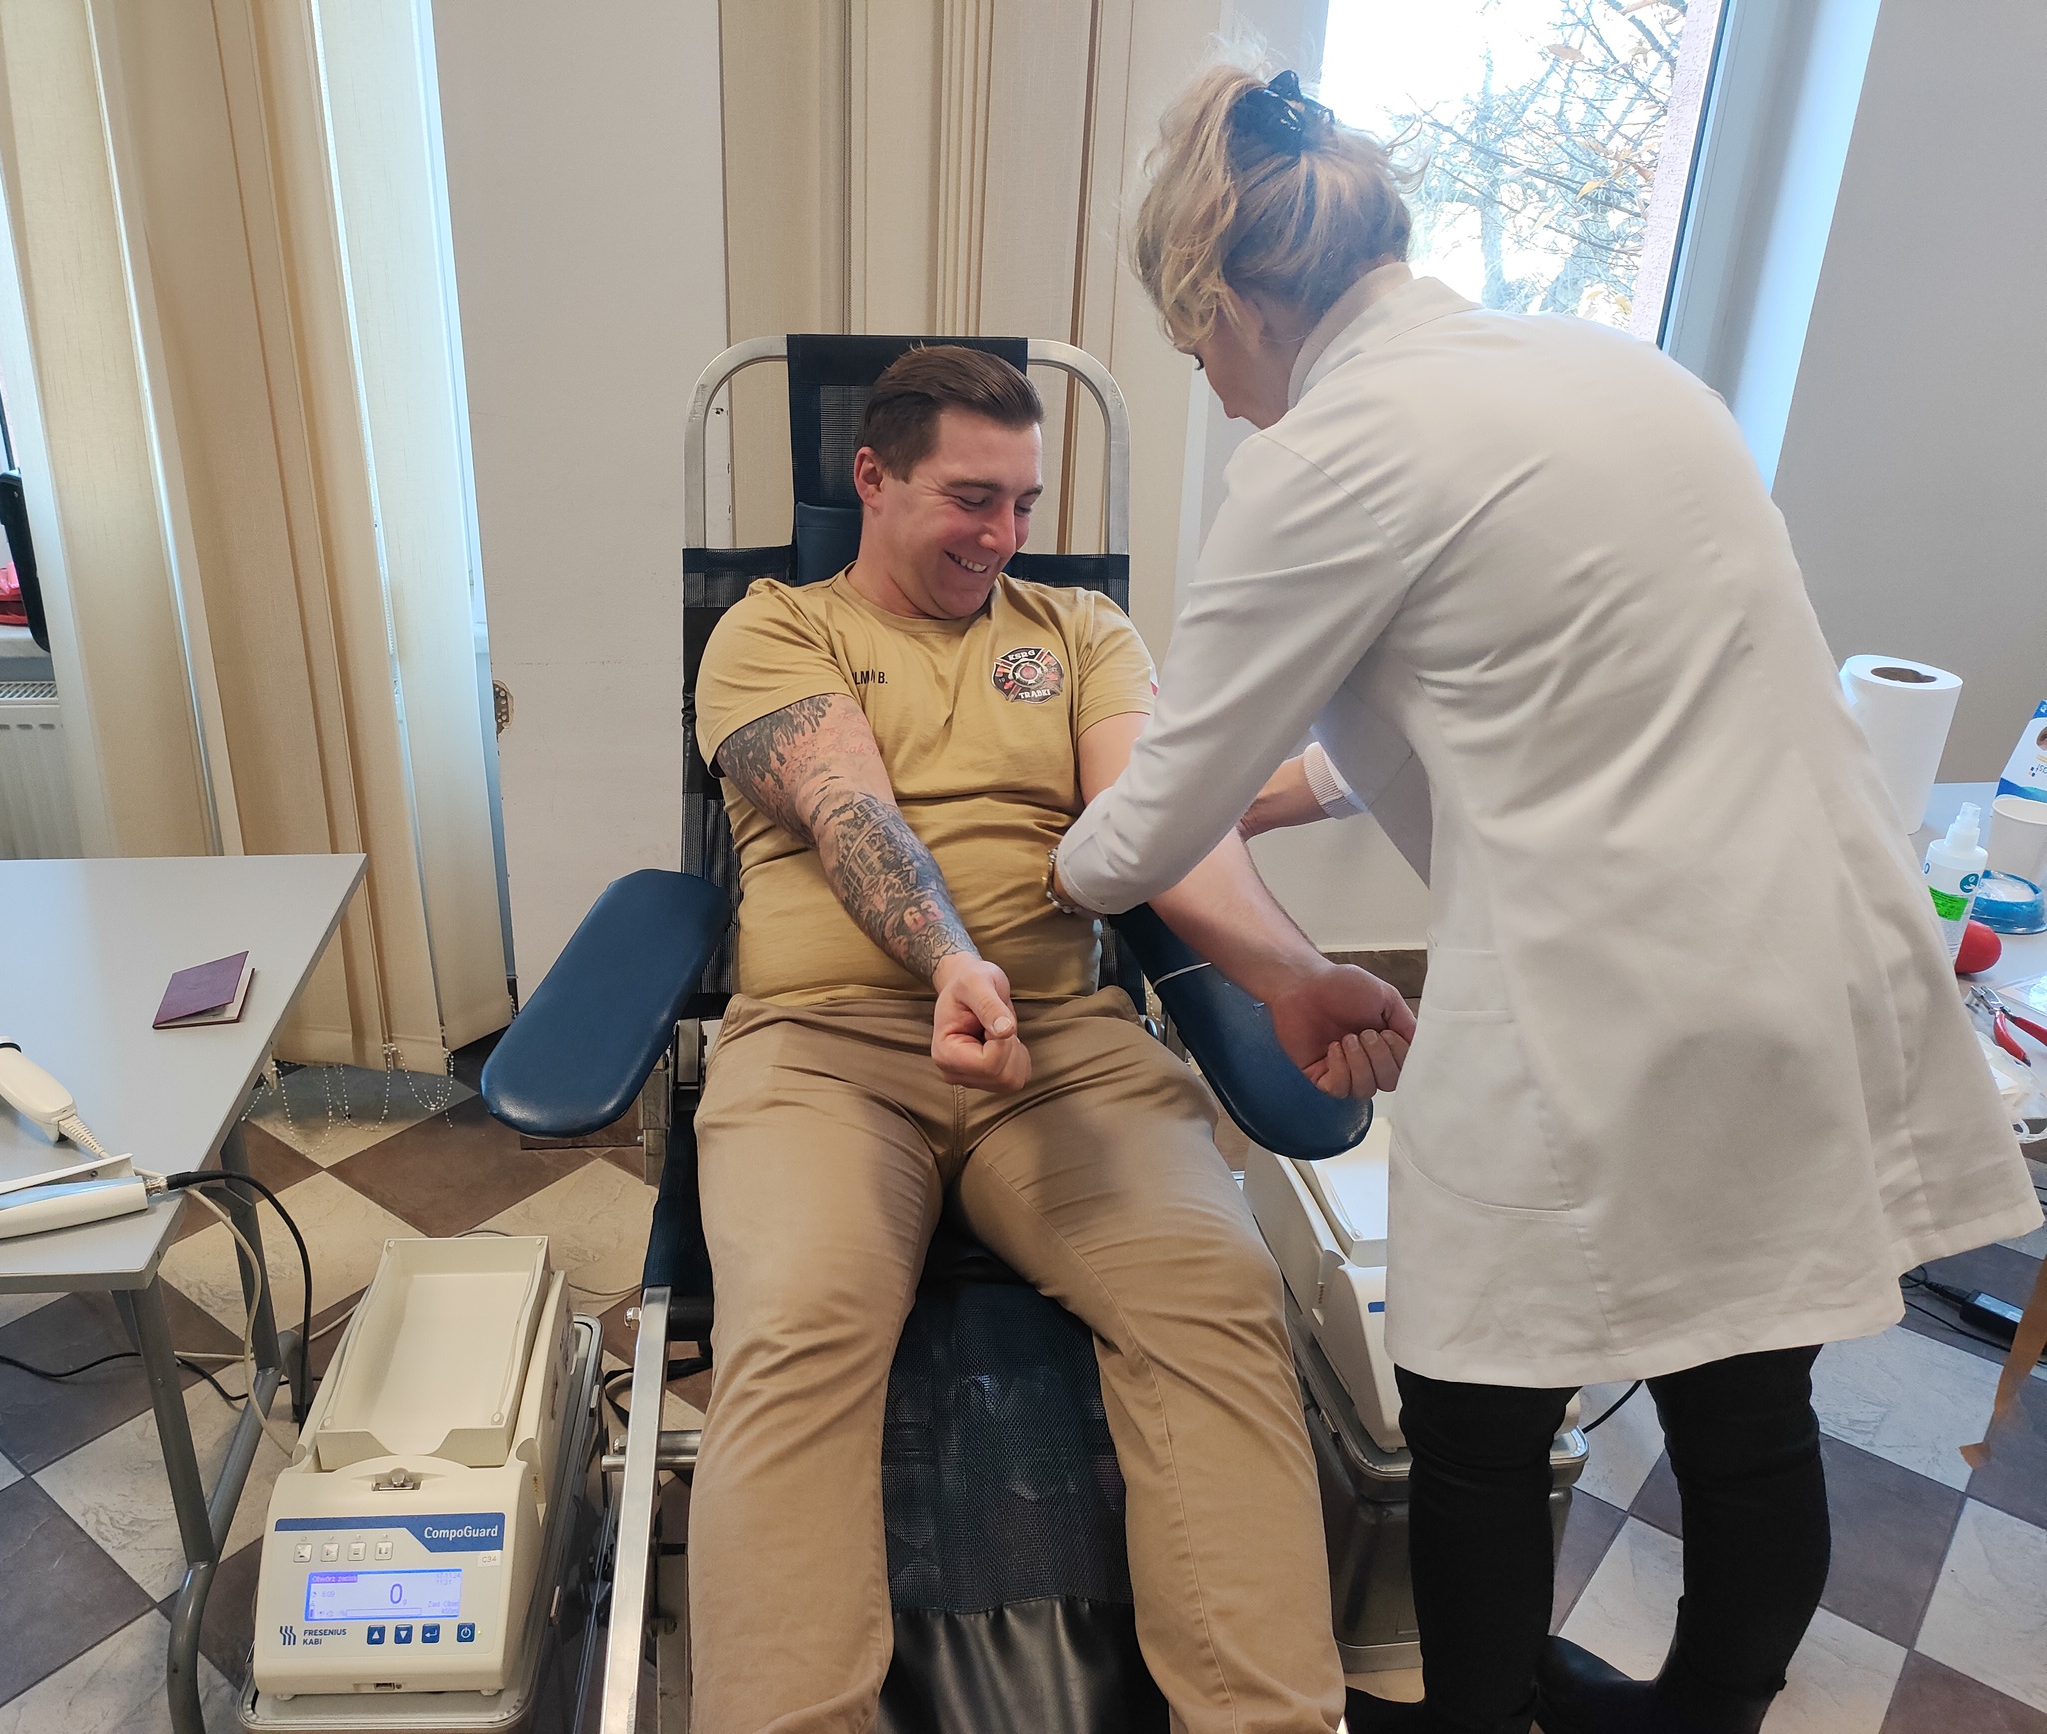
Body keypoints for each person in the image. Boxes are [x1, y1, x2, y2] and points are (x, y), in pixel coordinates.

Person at [1051, 64, 2043, 1734]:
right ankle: (1703, 1714)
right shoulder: (1619, 374)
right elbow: (1518, 679)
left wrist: (1064, 845)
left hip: (1611, 988)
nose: (1219, 394)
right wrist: (1281, 795)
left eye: (1198, 350)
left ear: (1228, 302)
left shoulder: (1326, 456)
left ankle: (1482, 1714)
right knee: (1748, 1399)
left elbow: (1140, 830)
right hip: (1819, 941)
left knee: (1476, 1417)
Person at [687, 343, 1412, 1733]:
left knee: (1220, 1301)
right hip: (828, 1052)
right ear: (871, 478)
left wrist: (1293, 973)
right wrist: (952, 960)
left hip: (1064, 1049)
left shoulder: (1080, 631)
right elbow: (851, 814)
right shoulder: (775, 628)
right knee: (799, 1328)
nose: (1005, 534)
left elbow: (1153, 828)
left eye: (1025, 501)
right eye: (972, 499)